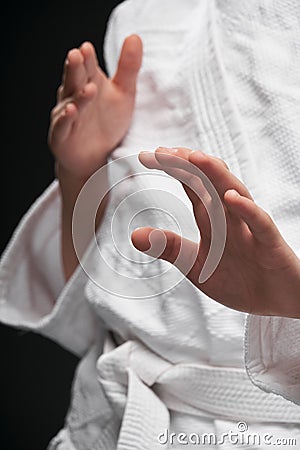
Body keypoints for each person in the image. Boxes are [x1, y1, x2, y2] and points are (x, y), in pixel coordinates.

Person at [1, 0, 300, 448]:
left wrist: (289, 305)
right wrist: (80, 172)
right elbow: (99, 303)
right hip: (117, 423)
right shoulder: (142, 18)